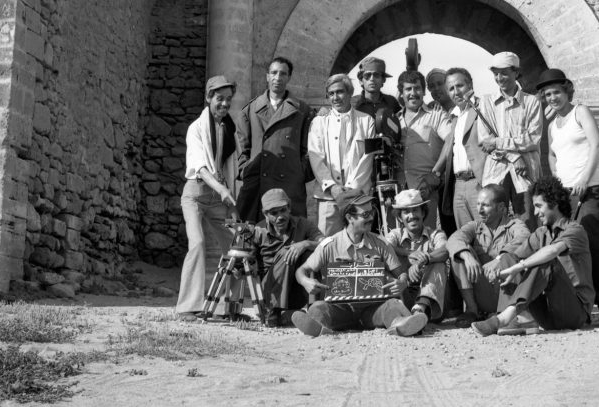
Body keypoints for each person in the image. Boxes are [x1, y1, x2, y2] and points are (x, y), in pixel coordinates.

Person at [538, 67, 599, 328]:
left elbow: (597, 145)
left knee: (594, 248)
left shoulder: (579, 112)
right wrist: (558, 182)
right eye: (548, 94)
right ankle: (581, 307)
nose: (553, 98)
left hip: (589, 190)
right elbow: (551, 154)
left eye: (557, 92)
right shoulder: (552, 126)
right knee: (570, 251)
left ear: (567, 90)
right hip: (566, 195)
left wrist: (584, 178)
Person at [292, 189, 429, 337]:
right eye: (365, 215)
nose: (371, 218)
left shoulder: (380, 243)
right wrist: (306, 281)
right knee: (318, 307)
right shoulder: (330, 244)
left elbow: (401, 274)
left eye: (372, 212)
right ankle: (318, 326)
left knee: (393, 306)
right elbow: (301, 270)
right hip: (339, 309)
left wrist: (402, 282)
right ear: (349, 217)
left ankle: (400, 324)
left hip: (373, 309)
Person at [471, 175, 593, 336]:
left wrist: (518, 267)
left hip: (573, 313)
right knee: (508, 257)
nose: (535, 212)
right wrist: (499, 262)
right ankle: (514, 320)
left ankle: (502, 319)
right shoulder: (541, 233)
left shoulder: (575, 230)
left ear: (554, 204)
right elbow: (514, 255)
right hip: (546, 317)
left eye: (538, 206)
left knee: (547, 262)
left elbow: (552, 251)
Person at [175, 75, 238, 321]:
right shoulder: (196, 128)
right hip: (195, 194)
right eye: (219, 99)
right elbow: (200, 167)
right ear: (209, 98)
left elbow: (228, 166)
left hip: (217, 196)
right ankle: (187, 307)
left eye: (228, 100)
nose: (224, 104)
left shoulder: (228, 129)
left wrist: (229, 196)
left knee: (235, 249)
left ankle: (228, 308)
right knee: (198, 243)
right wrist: (223, 191)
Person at [236, 56, 314, 221]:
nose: (278, 78)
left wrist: (299, 173)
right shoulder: (250, 110)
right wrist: (246, 171)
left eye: (283, 74)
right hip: (257, 185)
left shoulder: (303, 111)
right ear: (267, 76)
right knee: (251, 236)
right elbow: (242, 148)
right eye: (274, 73)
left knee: (289, 237)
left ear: (289, 77)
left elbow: (308, 150)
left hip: (289, 184)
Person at [446, 184, 530, 325]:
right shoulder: (475, 226)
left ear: (501, 208)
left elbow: (525, 238)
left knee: (510, 256)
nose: (479, 210)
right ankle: (472, 310)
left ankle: (506, 313)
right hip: (482, 290)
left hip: (505, 290)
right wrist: (467, 256)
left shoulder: (515, 224)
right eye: (478, 204)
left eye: (485, 205)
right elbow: (454, 239)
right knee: (459, 253)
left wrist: (500, 258)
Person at [479, 51, 544, 228]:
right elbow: (485, 141)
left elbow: (532, 139)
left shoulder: (531, 102)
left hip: (525, 174)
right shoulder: (486, 102)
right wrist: (515, 157)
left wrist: (499, 142)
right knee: (494, 224)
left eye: (504, 72)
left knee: (527, 223)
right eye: (495, 73)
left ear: (516, 73)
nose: (499, 77)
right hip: (496, 172)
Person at [307, 74, 376, 236]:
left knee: (360, 245)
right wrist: (333, 187)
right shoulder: (319, 122)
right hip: (329, 198)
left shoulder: (366, 121)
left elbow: (368, 157)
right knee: (327, 245)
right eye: (331, 94)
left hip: (359, 197)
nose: (335, 97)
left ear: (350, 93)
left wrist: (351, 189)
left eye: (339, 92)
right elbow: (316, 157)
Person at [251, 187, 324, 327]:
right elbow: (246, 263)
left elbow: (326, 245)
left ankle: (314, 308)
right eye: (274, 213)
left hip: (298, 289)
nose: (280, 217)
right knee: (287, 252)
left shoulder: (304, 225)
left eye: (283, 210)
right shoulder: (258, 232)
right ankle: (274, 312)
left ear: (289, 208)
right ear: (265, 215)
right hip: (271, 291)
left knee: (311, 253)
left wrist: (305, 243)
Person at [431, 67, 489, 231]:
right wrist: (436, 171)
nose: (456, 92)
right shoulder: (454, 115)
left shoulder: (483, 107)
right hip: (457, 185)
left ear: (470, 85)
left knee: (486, 234)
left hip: (477, 182)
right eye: (451, 88)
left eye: (460, 86)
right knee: (466, 236)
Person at [352, 56, 403, 229]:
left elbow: (399, 131)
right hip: (362, 168)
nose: (372, 79)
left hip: (389, 169)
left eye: (377, 75)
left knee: (391, 220)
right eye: (367, 76)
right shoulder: (353, 105)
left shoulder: (392, 103)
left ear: (383, 80)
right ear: (361, 80)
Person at [383, 188, 449, 322]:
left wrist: (422, 261)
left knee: (438, 264)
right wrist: (409, 254)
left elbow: (446, 250)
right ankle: (407, 315)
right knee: (386, 262)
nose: (412, 216)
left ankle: (420, 309)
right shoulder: (395, 234)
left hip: (434, 301)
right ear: (400, 218)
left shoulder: (436, 234)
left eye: (415, 210)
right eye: (406, 212)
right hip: (404, 295)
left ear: (423, 212)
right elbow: (384, 248)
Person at [397, 70, 452, 228]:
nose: (413, 93)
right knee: (397, 240)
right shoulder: (394, 120)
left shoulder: (436, 116)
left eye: (417, 88)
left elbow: (450, 140)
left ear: (423, 91)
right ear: (401, 92)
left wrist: (435, 173)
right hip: (398, 191)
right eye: (408, 89)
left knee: (426, 237)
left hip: (424, 189)